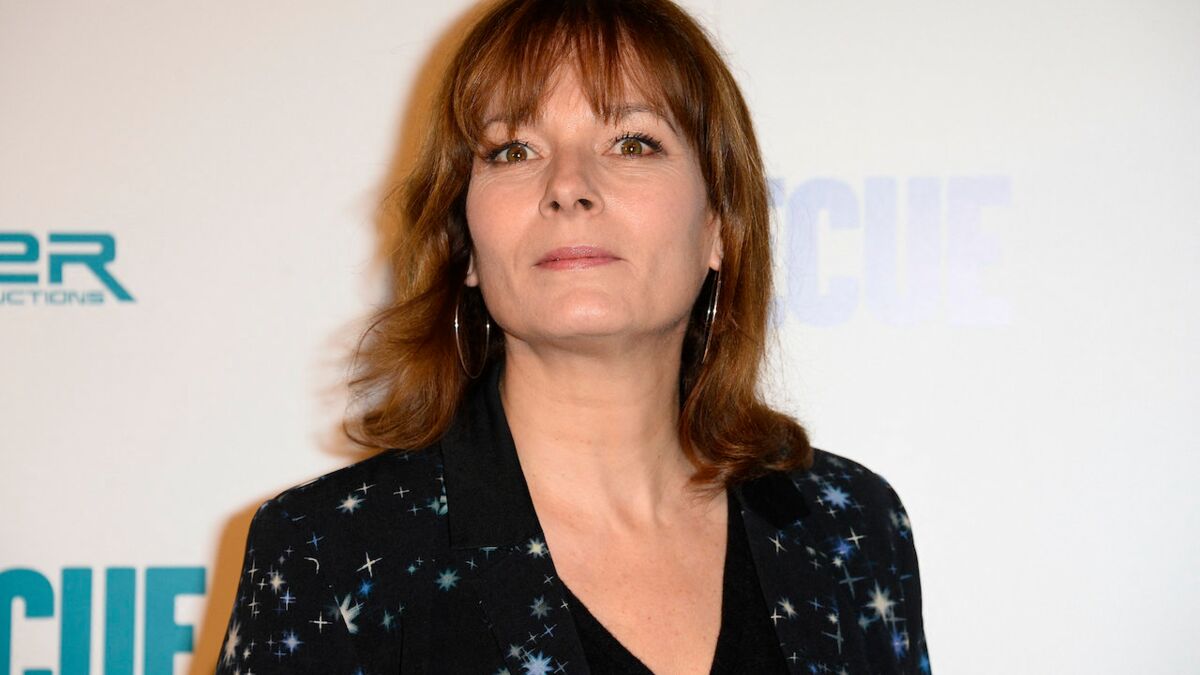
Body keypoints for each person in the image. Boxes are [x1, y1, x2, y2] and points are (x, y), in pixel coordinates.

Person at [215, 0, 930, 672]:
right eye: (513, 151)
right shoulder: (328, 552)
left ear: (718, 225)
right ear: (465, 243)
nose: (568, 185)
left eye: (631, 142)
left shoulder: (849, 527)